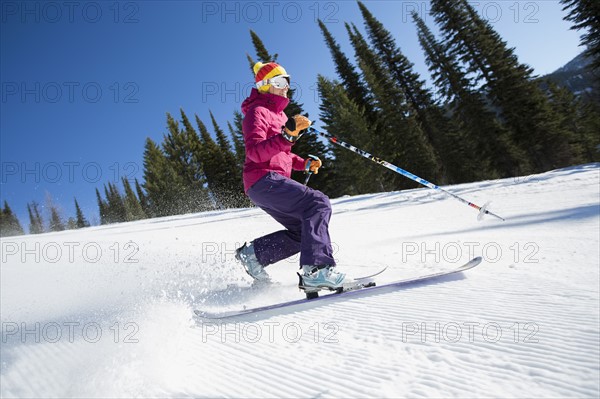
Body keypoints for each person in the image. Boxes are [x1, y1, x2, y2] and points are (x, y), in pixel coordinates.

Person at [235, 61, 345, 291]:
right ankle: (317, 270)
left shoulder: (281, 116)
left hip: (266, 182)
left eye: (287, 81)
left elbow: (283, 154)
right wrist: (287, 135)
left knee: (302, 231)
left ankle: (254, 255)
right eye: (279, 82)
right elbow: (255, 153)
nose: (285, 86)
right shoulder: (257, 113)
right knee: (318, 203)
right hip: (262, 179)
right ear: (265, 86)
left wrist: (303, 163)